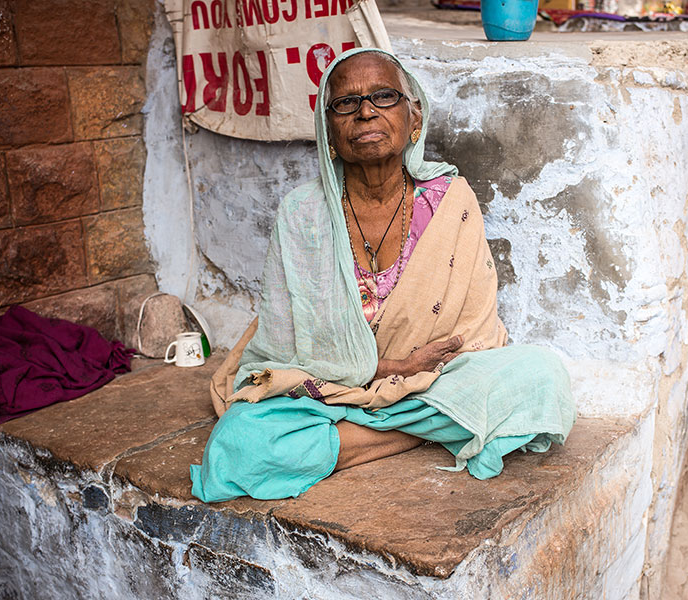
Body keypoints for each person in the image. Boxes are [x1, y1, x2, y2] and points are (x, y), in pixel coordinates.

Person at [190, 48, 575, 502]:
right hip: (333, 387)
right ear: (329, 131)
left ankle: (357, 437)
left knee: (541, 375)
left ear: (415, 119)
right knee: (241, 441)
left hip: (434, 379)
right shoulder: (303, 212)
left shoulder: (449, 199)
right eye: (346, 103)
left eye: (383, 96)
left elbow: (472, 333)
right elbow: (287, 343)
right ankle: (416, 431)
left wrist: (414, 374)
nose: (366, 111)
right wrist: (392, 369)